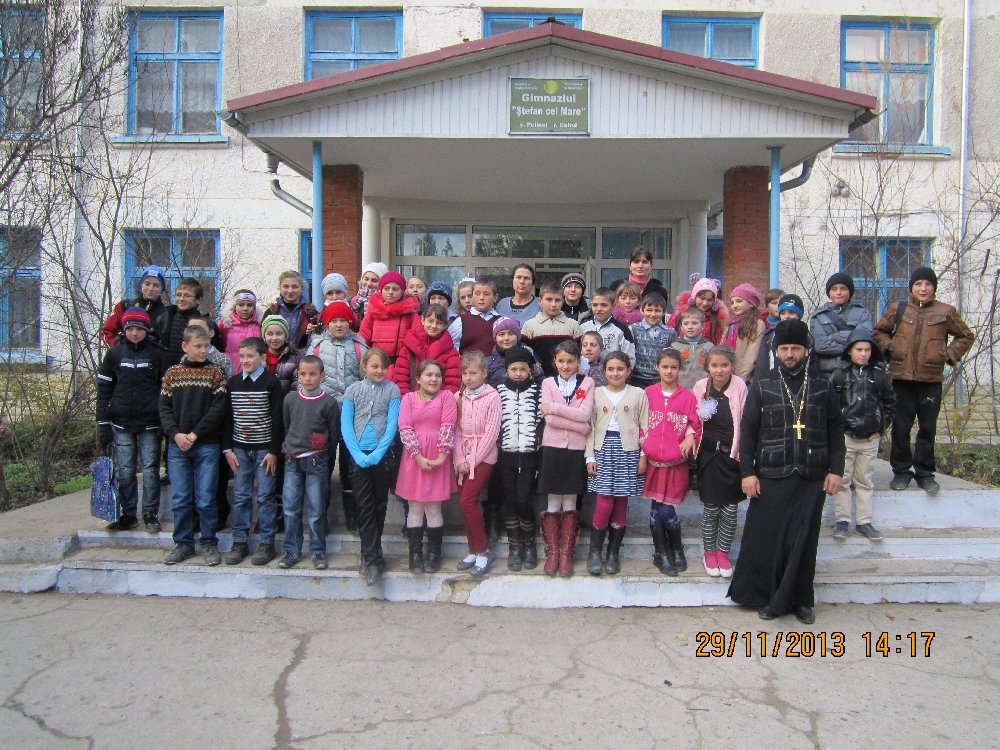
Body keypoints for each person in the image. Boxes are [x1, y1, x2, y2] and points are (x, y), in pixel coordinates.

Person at [728, 318, 845, 624]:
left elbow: (836, 430)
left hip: (811, 474)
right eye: (784, 349)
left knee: (804, 540)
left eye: (795, 348)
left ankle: (802, 600)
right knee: (766, 539)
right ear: (776, 351)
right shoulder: (763, 384)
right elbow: (749, 431)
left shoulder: (822, 385)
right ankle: (765, 597)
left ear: (806, 350)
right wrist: (747, 473)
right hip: (771, 472)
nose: (790, 354)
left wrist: (836, 470)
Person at [873, 267, 975, 494]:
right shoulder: (898, 309)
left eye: (928, 284)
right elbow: (879, 332)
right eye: (918, 284)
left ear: (933, 287)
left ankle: (925, 474)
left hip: (930, 379)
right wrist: (891, 347)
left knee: (927, 428)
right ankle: (901, 472)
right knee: (901, 427)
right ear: (911, 287)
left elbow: (965, 335)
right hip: (901, 378)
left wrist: (948, 354)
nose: (923, 288)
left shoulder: (945, 312)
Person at [158, 324, 229, 565]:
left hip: (206, 445)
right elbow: (164, 408)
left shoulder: (215, 373)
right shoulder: (173, 373)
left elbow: (217, 409)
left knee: (206, 498)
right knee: (181, 498)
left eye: (206, 346)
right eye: (198, 346)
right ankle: (183, 543)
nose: (203, 350)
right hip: (178, 446)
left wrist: (196, 434)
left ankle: (209, 542)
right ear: (184, 346)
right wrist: (176, 434)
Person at [96, 307, 166, 532]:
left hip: (150, 423)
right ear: (124, 330)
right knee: (125, 471)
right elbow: (104, 390)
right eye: (130, 329)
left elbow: (167, 392)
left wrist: (165, 420)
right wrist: (102, 423)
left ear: (147, 329)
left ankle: (150, 514)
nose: (134, 333)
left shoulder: (158, 354)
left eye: (139, 329)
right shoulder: (114, 354)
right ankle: (128, 514)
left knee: (150, 471)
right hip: (122, 422)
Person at [221, 337, 284, 565]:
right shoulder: (233, 383)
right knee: (241, 495)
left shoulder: (271, 383)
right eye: (242, 356)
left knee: (266, 495)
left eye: (250, 356)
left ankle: (267, 543)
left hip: (264, 451)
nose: (245, 360)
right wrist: (228, 449)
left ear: (262, 358)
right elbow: (227, 419)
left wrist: (273, 451)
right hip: (240, 450)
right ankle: (240, 541)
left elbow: (277, 419)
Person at [584, 352, 648, 576]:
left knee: (621, 502)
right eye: (611, 369)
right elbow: (590, 426)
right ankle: (595, 552)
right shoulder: (597, 393)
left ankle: (613, 552)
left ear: (628, 371)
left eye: (620, 369)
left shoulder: (638, 393)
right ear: (604, 372)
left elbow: (645, 427)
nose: (615, 373)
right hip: (602, 450)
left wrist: (643, 455)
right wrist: (590, 456)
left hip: (628, 451)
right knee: (604, 502)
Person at [341, 348, 401, 585]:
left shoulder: (392, 390)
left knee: (379, 506)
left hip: (381, 456)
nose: (379, 371)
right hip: (358, 457)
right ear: (364, 366)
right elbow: (346, 425)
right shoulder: (353, 390)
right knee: (364, 507)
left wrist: (378, 453)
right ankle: (373, 559)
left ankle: (371, 554)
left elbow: (392, 424)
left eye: (383, 367)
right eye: (374, 366)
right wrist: (357, 454)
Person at [308, 301, 368, 530]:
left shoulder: (359, 347)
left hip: (352, 415)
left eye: (343, 320)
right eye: (334, 321)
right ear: (327, 323)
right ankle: (320, 514)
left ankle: (352, 514)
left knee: (349, 466)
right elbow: (308, 379)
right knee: (322, 463)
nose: (339, 325)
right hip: (325, 415)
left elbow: (365, 380)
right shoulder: (317, 346)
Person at [831, 329, 896, 542]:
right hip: (846, 436)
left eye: (867, 350)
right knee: (843, 479)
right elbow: (831, 406)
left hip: (869, 438)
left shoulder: (878, 375)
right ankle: (842, 520)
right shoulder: (840, 375)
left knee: (864, 481)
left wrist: (880, 429)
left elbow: (890, 404)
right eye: (859, 349)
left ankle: (864, 521)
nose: (863, 354)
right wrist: (837, 431)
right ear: (850, 351)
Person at [537, 341, 594, 577]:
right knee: (553, 502)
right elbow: (549, 421)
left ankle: (566, 553)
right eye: (561, 361)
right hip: (552, 447)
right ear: (555, 362)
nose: (566, 365)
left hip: (576, 449)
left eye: (570, 361)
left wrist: (554, 408)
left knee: (570, 501)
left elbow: (585, 413)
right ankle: (553, 551)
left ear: (578, 362)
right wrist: (582, 427)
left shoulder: (587, 383)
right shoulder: (548, 383)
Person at [278, 355, 340, 570]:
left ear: (322, 376)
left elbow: (333, 434)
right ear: (298, 375)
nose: (307, 378)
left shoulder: (329, 403)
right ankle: (292, 550)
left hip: (317, 460)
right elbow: (287, 426)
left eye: (312, 374)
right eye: (303, 374)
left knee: (316, 510)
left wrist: (322, 453)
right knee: (290, 509)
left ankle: (318, 552)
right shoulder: (290, 399)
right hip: (292, 460)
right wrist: (290, 447)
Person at [642, 348, 700, 576]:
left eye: (673, 367)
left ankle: (675, 548)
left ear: (679, 369)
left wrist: (690, 436)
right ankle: (662, 551)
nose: (669, 371)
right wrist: (644, 449)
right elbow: (639, 423)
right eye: (664, 367)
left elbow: (694, 423)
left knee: (667, 508)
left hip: (676, 463)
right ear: (657, 367)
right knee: (658, 506)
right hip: (653, 462)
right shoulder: (647, 393)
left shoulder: (688, 397)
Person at [397, 359, 457, 573]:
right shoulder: (408, 399)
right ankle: (415, 554)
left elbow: (448, 426)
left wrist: (441, 457)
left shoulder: (447, 397)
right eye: (429, 375)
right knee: (414, 507)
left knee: (433, 507)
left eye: (438, 375)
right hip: (414, 458)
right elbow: (405, 427)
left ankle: (433, 554)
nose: (434, 379)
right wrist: (418, 457)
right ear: (418, 378)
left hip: (439, 455)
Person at [692, 346, 748, 578]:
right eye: (714, 365)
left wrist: (743, 452)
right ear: (707, 367)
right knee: (711, 507)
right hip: (708, 456)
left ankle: (723, 552)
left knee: (730, 508)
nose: (719, 370)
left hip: (731, 456)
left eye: (724, 365)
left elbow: (745, 419)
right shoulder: (700, 386)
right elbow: (693, 420)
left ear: (732, 366)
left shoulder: (739, 386)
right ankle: (709, 552)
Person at [453, 351, 501, 576]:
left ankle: (483, 550)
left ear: (484, 373)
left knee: (467, 501)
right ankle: (472, 550)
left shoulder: (492, 396)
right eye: (465, 373)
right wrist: (460, 459)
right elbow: (456, 430)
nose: (468, 378)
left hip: (483, 456)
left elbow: (491, 433)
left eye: (473, 373)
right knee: (465, 503)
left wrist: (472, 461)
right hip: (463, 456)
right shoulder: (458, 396)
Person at [495, 346, 543, 572]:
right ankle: (514, 547)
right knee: (510, 500)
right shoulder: (498, 391)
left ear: (530, 371)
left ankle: (529, 544)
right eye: (513, 369)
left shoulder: (538, 391)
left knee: (524, 499)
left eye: (523, 369)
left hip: (530, 455)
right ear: (507, 370)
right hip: (506, 455)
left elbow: (542, 421)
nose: (518, 373)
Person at [358, 270, 421, 380]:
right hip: (377, 364)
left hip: (402, 364)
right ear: (381, 290)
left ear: (402, 291)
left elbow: (418, 338)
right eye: (387, 288)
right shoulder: (372, 312)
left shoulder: (410, 314)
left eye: (395, 289)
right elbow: (363, 339)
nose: (390, 292)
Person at [810, 272, 874, 375]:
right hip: (828, 373)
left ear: (850, 291)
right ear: (829, 292)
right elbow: (821, 345)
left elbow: (864, 338)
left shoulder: (862, 313)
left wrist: (834, 336)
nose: (838, 292)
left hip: (857, 372)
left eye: (843, 288)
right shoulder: (819, 316)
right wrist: (852, 347)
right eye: (834, 289)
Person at [393, 304, 461, 395]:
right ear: (422, 320)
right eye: (430, 321)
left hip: (439, 400)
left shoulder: (451, 352)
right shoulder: (409, 347)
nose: (434, 326)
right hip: (412, 399)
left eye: (439, 323)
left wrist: (444, 400)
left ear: (445, 325)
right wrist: (406, 399)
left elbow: (452, 382)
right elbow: (401, 377)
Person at [520, 282, 581, 377]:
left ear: (563, 301)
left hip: (567, 378)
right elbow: (525, 355)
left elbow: (579, 354)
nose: (553, 304)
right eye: (549, 300)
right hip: (538, 378)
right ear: (540, 301)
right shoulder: (529, 325)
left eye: (557, 300)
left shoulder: (573, 325)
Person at [101, 265, 168, 347]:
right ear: (141, 284)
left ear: (162, 289)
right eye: (147, 284)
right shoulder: (125, 306)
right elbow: (107, 331)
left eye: (156, 285)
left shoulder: (167, 314)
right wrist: (118, 350)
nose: (151, 288)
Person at [156, 277, 208, 371]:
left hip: (195, 371)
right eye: (178, 295)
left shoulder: (203, 323)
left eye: (187, 296)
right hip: (168, 371)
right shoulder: (166, 318)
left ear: (198, 300)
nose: (181, 299)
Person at [753, 293, 804, 381]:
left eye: (791, 313)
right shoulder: (770, 336)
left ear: (799, 315)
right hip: (773, 382)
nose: (786, 316)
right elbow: (762, 364)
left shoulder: (806, 336)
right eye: (783, 313)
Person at [629, 292, 675, 389]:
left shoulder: (670, 332)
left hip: (660, 379)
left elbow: (672, 356)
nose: (653, 314)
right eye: (649, 310)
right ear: (642, 310)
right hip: (637, 378)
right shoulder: (634, 329)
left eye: (657, 311)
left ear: (664, 312)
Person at [667, 274, 729, 345]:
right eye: (702, 298)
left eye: (709, 300)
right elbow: (669, 336)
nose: (705, 303)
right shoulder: (680, 314)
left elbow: (718, 344)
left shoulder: (716, 318)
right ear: (694, 297)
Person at [265, 270, 319, 350]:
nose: (290, 291)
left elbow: (319, 335)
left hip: (303, 356)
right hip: (277, 356)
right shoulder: (272, 311)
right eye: (286, 286)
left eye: (295, 287)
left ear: (302, 288)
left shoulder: (310, 312)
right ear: (280, 288)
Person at [723, 283, 765, 383]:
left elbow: (751, 356)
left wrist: (739, 380)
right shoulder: (730, 325)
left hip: (744, 380)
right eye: (732, 303)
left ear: (751, 303)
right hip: (726, 377)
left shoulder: (757, 324)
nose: (734, 305)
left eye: (739, 301)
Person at [579, 286, 635, 360]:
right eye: (595, 305)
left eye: (604, 305)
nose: (599, 309)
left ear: (613, 305)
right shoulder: (583, 326)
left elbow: (630, 359)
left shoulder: (622, 330)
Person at [448, 277, 502, 355]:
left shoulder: (501, 322)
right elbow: (450, 347)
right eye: (477, 294)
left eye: (486, 294)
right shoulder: (461, 321)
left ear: (495, 297)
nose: (481, 298)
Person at [485, 317, 543, 387]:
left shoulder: (529, 355)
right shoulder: (488, 363)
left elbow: (540, 381)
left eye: (511, 333)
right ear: (496, 338)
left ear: (518, 336)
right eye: (501, 334)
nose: (506, 338)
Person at [218, 289, 263, 373]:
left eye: (249, 305)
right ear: (234, 306)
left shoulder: (259, 325)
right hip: (230, 372)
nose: (245, 308)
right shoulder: (225, 324)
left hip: (254, 372)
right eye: (241, 305)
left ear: (254, 307)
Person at [672, 308, 713, 391]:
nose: (690, 327)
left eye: (694, 323)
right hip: (681, 390)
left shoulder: (709, 347)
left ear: (703, 326)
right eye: (686, 324)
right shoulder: (675, 347)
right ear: (681, 327)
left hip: (704, 391)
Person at [261, 315, 299, 394]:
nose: (274, 338)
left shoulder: (294, 358)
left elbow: (296, 384)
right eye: (270, 334)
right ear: (264, 336)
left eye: (279, 334)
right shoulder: (258, 357)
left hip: (285, 399)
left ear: (286, 336)